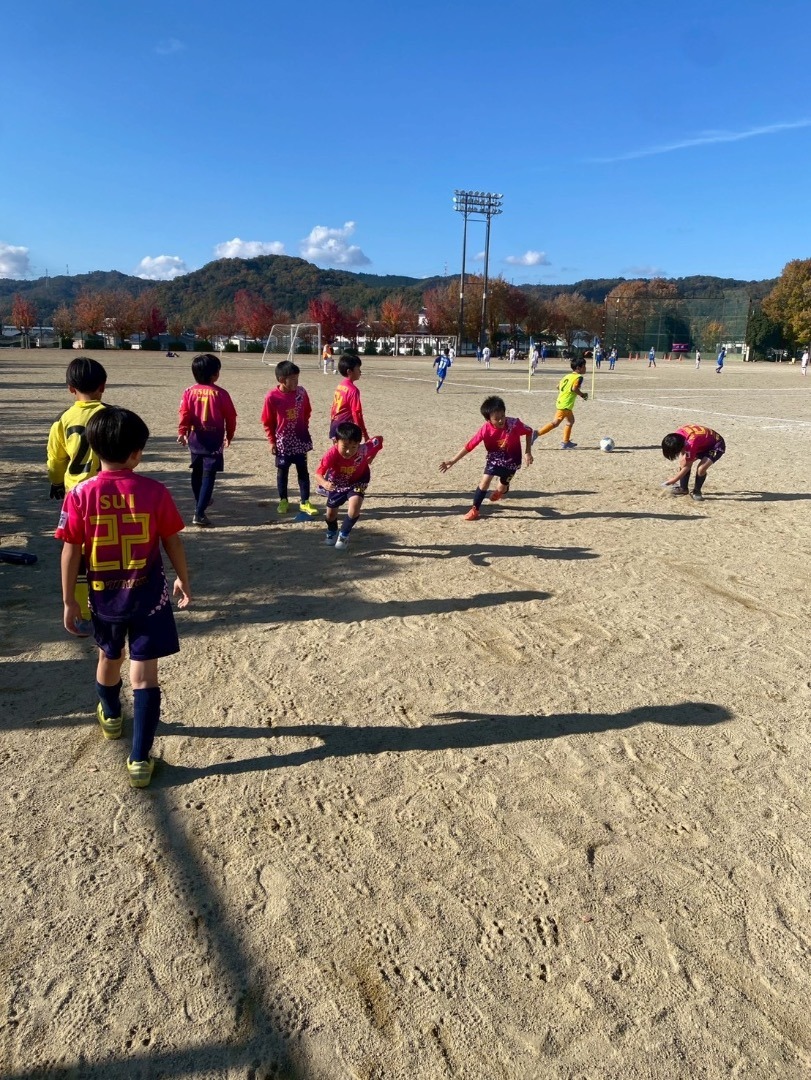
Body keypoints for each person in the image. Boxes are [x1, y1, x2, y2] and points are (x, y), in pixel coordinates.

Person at [55, 407, 191, 788]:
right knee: (145, 677)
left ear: (95, 448)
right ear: (136, 453)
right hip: (148, 599)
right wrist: (183, 579)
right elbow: (172, 541)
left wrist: (68, 600)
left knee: (108, 657)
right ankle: (139, 761)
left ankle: (112, 714)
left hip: (104, 599)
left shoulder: (79, 494)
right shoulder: (155, 491)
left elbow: (70, 550)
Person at [47, 357, 109, 633]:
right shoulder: (109, 416)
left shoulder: (63, 420)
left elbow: (55, 459)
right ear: (103, 386)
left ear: (71, 389)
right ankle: (111, 602)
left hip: (76, 495)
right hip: (105, 492)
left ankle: (83, 612)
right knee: (106, 546)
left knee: (77, 553)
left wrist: (56, 482)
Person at [439, 395, 534, 521]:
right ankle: (475, 509)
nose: (501, 420)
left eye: (503, 416)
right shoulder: (485, 429)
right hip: (494, 459)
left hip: (512, 461)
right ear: (488, 419)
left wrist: (528, 452)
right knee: (484, 482)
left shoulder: (514, 424)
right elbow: (470, 445)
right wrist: (453, 460)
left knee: (501, 488)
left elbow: (529, 431)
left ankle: (502, 490)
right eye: (496, 419)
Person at [177, 353, 237, 527]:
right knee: (209, 475)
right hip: (213, 439)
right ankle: (199, 513)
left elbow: (184, 413)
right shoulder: (221, 393)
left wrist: (182, 431)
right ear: (215, 374)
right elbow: (231, 417)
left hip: (195, 438)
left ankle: (200, 501)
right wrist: (229, 435)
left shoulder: (189, 392)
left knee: (196, 472)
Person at [261, 360, 318, 516]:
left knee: (303, 471)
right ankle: (283, 500)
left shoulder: (301, 392)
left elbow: (307, 411)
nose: (296, 382)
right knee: (282, 472)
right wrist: (272, 441)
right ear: (281, 380)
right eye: (292, 379)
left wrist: (303, 427)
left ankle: (305, 502)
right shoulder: (272, 397)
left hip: (300, 440)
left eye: (297, 378)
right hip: (283, 442)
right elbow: (267, 421)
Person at [314, 423, 383, 549]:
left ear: (358, 444)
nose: (349, 451)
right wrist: (324, 483)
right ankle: (332, 530)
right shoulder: (331, 454)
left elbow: (379, 440)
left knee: (355, 505)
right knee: (330, 516)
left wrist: (371, 456)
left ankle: (344, 534)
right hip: (336, 484)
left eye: (353, 447)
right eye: (345, 446)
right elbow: (318, 473)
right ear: (336, 442)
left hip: (358, 481)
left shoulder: (363, 449)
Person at [661, 424, 725, 502]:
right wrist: (684, 459)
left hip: (716, 445)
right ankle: (683, 488)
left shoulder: (691, 444)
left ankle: (697, 491)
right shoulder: (677, 436)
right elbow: (685, 461)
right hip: (702, 443)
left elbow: (687, 466)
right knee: (683, 462)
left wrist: (673, 481)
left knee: (701, 468)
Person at [534, 358, 588, 449]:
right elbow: (574, 388)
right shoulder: (579, 377)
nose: (585, 368)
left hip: (563, 402)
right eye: (584, 366)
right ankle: (537, 433)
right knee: (555, 423)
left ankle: (566, 442)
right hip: (565, 404)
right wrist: (582, 395)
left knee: (570, 421)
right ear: (578, 368)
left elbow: (558, 386)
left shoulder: (567, 376)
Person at [330, 354, 369, 441]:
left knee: (337, 449)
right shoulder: (353, 390)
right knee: (348, 450)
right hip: (345, 429)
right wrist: (364, 433)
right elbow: (357, 413)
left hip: (334, 424)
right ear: (349, 372)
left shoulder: (340, 386)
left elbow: (333, 408)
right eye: (358, 369)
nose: (360, 371)